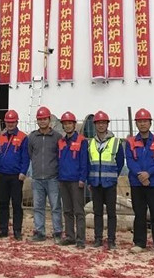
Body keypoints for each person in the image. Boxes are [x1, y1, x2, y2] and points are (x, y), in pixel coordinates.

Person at [125, 108, 154, 256]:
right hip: (137, 183)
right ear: (136, 124)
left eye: (145, 121)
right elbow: (130, 161)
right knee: (139, 214)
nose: (142, 124)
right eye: (140, 121)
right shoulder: (130, 142)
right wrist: (141, 175)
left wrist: (148, 174)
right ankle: (139, 243)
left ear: (150, 123)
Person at [88, 110, 124, 250]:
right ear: (95, 125)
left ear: (107, 124)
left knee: (111, 213)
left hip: (109, 183)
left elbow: (120, 162)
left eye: (103, 123)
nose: (101, 125)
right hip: (95, 183)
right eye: (98, 123)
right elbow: (88, 162)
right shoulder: (91, 143)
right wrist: (90, 180)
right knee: (97, 212)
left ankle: (111, 239)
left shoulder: (115, 142)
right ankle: (98, 238)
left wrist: (113, 176)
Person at [27, 106, 62, 243]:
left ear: (49, 120)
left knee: (55, 207)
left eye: (44, 119)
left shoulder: (57, 137)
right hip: (37, 178)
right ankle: (40, 232)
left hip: (52, 178)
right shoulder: (32, 137)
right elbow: (31, 154)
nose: (42, 121)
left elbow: (59, 155)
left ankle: (57, 232)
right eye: (40, 119)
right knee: (38, 207)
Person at [0, 110, 29, 241]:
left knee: (16, 204)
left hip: (16, 176)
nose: (10, 124)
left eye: (12, 122)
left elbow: (25, 157)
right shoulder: (0, 137)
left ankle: (17, 230)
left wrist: (23, 172)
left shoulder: (23, 137)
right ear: (5, 122)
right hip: (2, 174)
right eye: (8, 122)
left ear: (17, 122)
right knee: (2, 203)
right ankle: (3, 229)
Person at [57, 111, 88, 248]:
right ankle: (70, 236)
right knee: (67, 210)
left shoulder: (82, 141)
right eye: (65, 124)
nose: (67, 126)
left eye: (70, 123)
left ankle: (81, 239)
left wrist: (82, 178)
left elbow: (84, 162)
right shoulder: (61, 142)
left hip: (76, 181)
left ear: (74, 125)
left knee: (79, 211)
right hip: (63, 179)